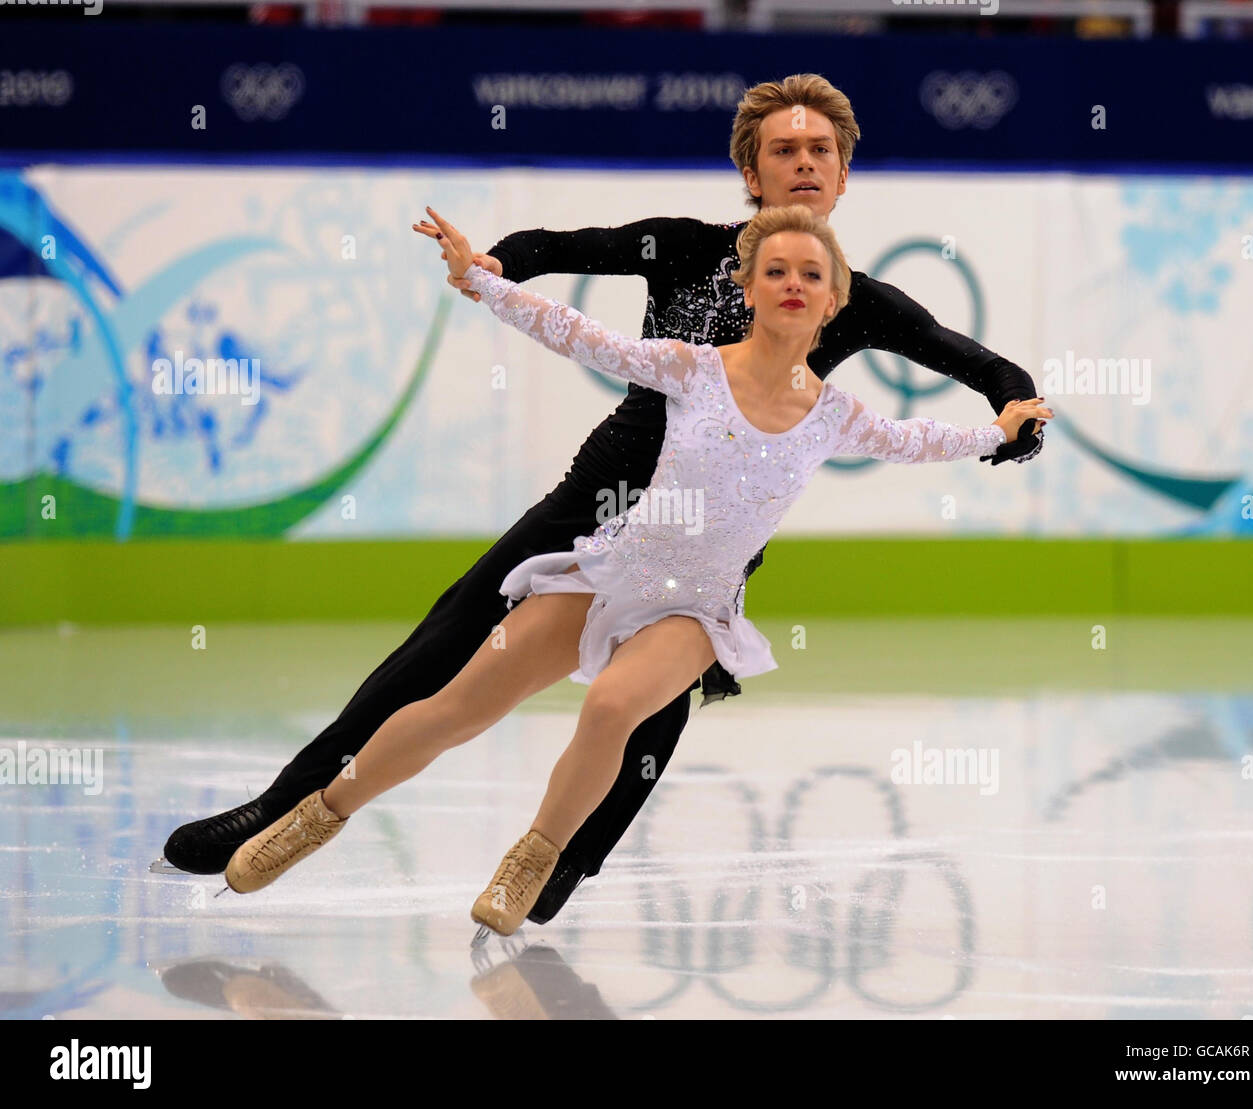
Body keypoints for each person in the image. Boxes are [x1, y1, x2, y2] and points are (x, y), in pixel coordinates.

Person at [162, 74, 1044, 925]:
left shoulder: (852, 298)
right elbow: (569, 250)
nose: (805, 162)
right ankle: (283, 805)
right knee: (441, 651)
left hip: (701, 543)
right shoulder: (690, 248)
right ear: (752, 173)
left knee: (644, 708)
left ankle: (561, 859)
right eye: (785, 148)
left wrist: (1015, 407)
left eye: (822, 149)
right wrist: (501, 267)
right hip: (595, 502)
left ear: (845, 174)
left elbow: (968, 361)